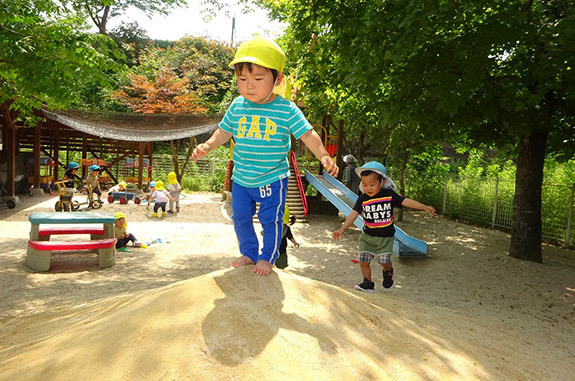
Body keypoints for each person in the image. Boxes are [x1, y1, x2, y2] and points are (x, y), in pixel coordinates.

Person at [192, 37, 338, 276]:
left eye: (258, 79)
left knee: (270, 219)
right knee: (240, 217)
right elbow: (223, 131)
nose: (249, 85)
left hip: (272, 178)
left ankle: (268, 257)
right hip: (242, 178)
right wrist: (207, 145)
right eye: (242, 79)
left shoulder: (286, 109)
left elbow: (308, 134)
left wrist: (323, 156)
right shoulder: (238, 106)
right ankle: (249, 253)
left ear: (277, 79)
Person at [332, 161, 436, 293]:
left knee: (383, 261)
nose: (368, 188)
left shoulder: (388, 195)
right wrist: (342, 229)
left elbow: (405, 201)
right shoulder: (362, 199)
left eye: (372, 184)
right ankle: (367, 283)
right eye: (364, 185)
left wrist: (423, 207)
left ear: (381, 183)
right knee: (363, 260)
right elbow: (353, 214)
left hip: (385, 238)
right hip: (367, 236)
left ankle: (388, 271)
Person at [276, 206, 299, 270]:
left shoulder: (286, 228)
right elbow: (264, 233)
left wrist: (294, 242)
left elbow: (290, 236)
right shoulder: (272, 227)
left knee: (281, 267)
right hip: (273, 250)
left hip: (281, 251)